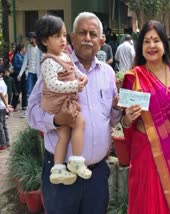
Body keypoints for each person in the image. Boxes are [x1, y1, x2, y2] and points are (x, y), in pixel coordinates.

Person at [26, 12, 122, 213]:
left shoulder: (108, 73)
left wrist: (117, 109)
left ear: (101, 40)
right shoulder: (55, 67)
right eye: (82, 33)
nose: (87, 38)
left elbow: (111, 121)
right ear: (72, 37)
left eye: (93, 34)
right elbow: (31, 113)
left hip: (95, 175)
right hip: (61, 177)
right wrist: (57, 120)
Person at [120, 20, 170, 214]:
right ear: (140, 46)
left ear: (165, 45)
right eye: (146, 41)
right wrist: (127, 119)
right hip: (147, 152)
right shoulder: (134, 77)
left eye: (156, 40)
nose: (152, 46)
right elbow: (125, 120)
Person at [35, 15, 92, 185]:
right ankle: (75, 160)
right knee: (79, 123)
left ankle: (59, 168)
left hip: (66, 100)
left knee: (64, 134)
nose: (62, 39)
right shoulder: (48, 62)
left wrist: (82, 78)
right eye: (57, 36)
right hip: (57, 103)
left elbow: (74, 70)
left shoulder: (66, 55)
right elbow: (52, 85)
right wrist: (75, 86)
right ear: (45, 41)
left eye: (64, 35)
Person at [17, 31, 42, 103]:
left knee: (38, 92)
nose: (29, 40)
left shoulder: (40, 48)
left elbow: (44, 58)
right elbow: (25, 61)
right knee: (29, 91)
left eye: (30, 39)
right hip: (30, 72)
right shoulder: (29, 47)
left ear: (34, 39)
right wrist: (20, 74)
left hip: (38, 73)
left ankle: (38, 108)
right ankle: (29, 109)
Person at [11, 44, 27, 111]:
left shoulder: (22, 55)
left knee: (24, 90)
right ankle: (13, 106)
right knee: (17, 90)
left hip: (23, 74)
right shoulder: (16, 56)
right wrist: (24, 67)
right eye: (24, 48)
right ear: (21, 48)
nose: (25, 49)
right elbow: (15, 65)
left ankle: (24, 105)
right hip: (17, 74)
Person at [0, 65, 12, 150]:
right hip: (3, 106)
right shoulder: (3, 82)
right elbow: (6, 94)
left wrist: (6, 105)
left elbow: (2, 95)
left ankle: (2, 144)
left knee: (0, 126)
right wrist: (7, 105)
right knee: (4, 125)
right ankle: (7, 142)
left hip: (0, 107)